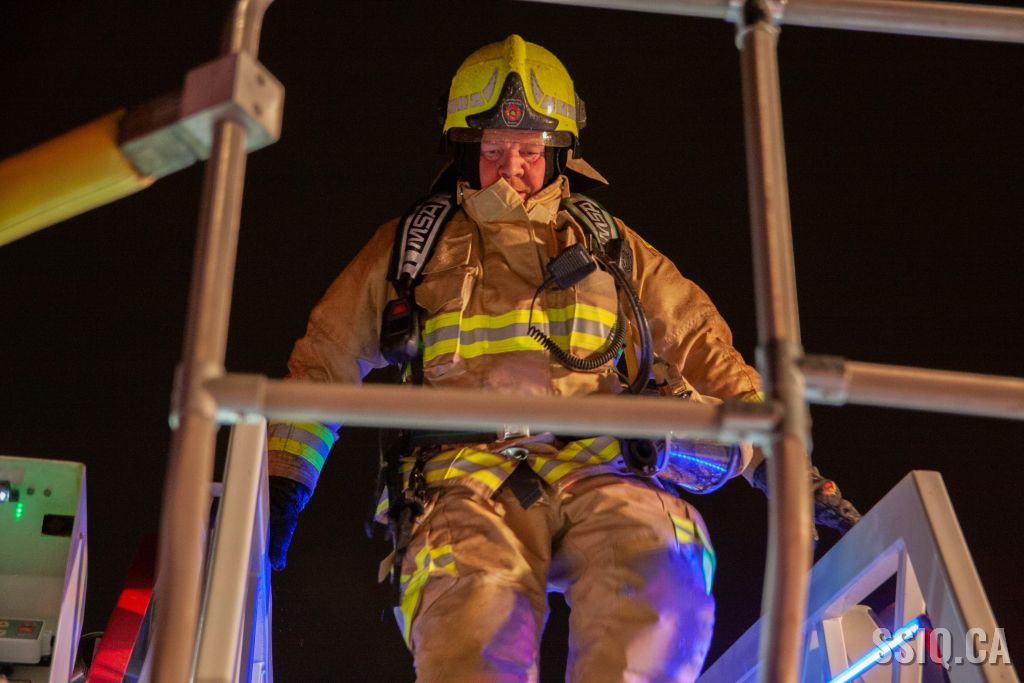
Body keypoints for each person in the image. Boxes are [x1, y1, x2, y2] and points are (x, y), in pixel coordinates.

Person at [266, 35, 858, 682]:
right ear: (464, 150)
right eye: (493, 151)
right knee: (470, 627)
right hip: (464, 477)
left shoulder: (610, 246)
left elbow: (701, 343)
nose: (511, 169)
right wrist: (280, 485)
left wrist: (790, 469)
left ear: (559, 154)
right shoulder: (411, 247)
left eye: (529, 151)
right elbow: (324, 357)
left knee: (660, 584)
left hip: (604, 466)